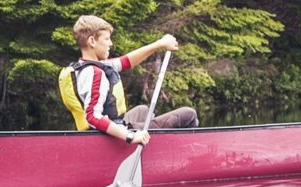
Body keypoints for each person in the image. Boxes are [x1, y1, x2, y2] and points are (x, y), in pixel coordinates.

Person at [58, 15, 199, 145]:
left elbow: (126, 61)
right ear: (92, 41)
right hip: (106, 137)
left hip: (105, 130)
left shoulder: (83, 67)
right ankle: (182, 156)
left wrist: (159, 44)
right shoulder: (95, 73)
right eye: (107, 39)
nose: (111, 43)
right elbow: (93, 117)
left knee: (143, 110)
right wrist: (130, 136)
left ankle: (151, 144)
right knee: (189, 114)